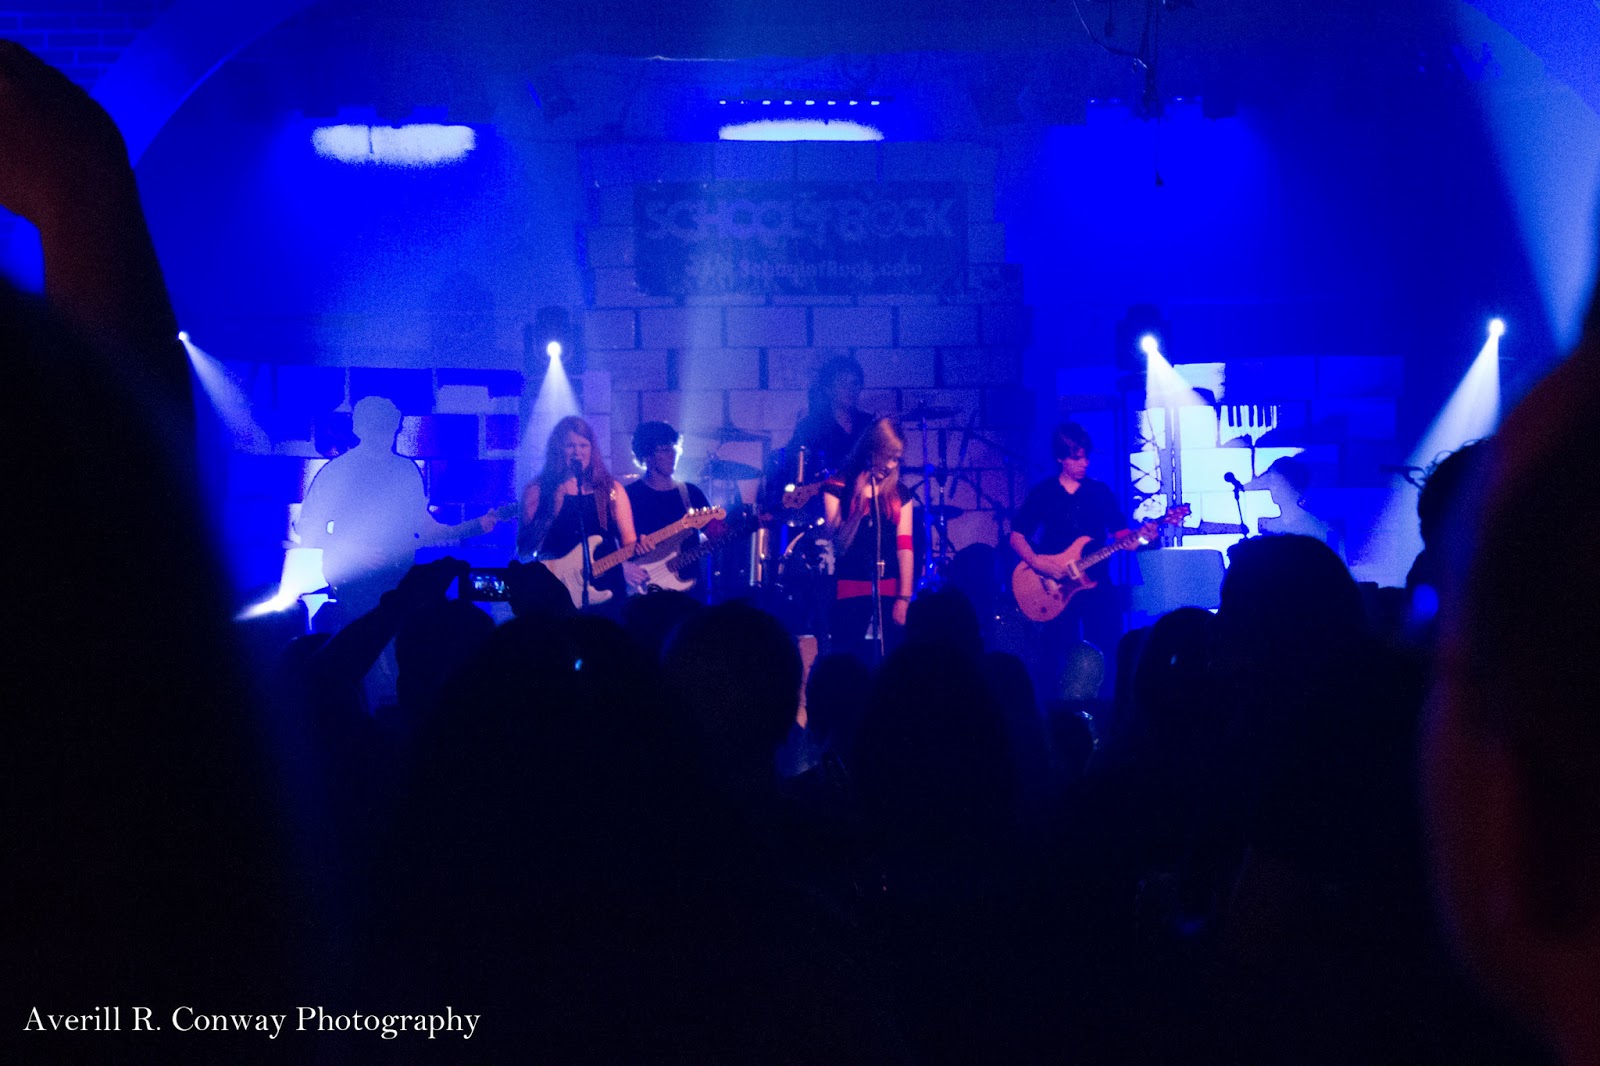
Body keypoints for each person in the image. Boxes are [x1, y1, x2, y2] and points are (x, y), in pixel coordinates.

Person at [1008, 421, 1131, 700]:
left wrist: (1144, 537)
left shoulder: (1099, 493)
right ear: (1060, 458)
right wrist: (1037, 563)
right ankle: (1054, 713)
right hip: (1055, 586)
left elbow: (1122, 534)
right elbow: (1016, 535)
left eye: (1086, 457)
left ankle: (1108, 707)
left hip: (1096, 583)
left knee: (1109, 648)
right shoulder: (1044, 493)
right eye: (1077, 458)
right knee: (1054, 653)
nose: (1084, 463)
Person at [517, 415, 646, 608]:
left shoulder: (611, 490)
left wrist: (638, 549)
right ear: (558, 449)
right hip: (557, 588)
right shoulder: (539, 489)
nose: (577, 451)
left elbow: (629, 542)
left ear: (592, 450)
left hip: (607, 587)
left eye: (583, 445)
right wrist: (552, 509)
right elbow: (525, 547)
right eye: (570, 446)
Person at [822, 417, 915, 663]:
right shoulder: (837, 487)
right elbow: (837, 543)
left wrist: (904, 598)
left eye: (897, 459)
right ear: (871, 450)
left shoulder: (900, 493)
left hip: (890, 589)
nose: (891, 465)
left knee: (891, 661)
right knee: (849, 660)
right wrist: (858, 501)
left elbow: (905, 547)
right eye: (888, 457)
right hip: (849, 589)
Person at [625, 420, 715, 597]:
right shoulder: (629, 496)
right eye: (665, 449)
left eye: (674, 448)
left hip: (689, 592)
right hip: (644, 591)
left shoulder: (690, 493)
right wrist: (623, 568)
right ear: (647, 455)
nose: (672, 454)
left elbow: (716, 531)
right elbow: (611, 543)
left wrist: (746, 525)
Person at [787, 355, 874, 479]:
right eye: (843, 384)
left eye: (854, 383)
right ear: (828, 389)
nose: (850, 389)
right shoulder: (810, 426)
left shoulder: (869, 424)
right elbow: (795, 466)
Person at [1247, 455, 1342, 558]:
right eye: (1271, 482)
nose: (1272, 488)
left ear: (1293, 485)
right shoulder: (1272, 527)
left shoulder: (1316, 527)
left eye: (1277, 482)